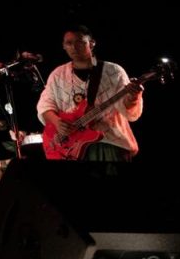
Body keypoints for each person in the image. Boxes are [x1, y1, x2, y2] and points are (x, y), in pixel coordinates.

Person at [36, 24, 143, 161]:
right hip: (70, 147)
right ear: (63, 46)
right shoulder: (57, 74)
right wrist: (57, 122)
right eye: (69, 43)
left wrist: (133, 96)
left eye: (80, 42)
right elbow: (45, 106)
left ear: (91, 43)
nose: (74, 47)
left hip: (108, 143)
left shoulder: (114, 71)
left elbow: (129, 113)